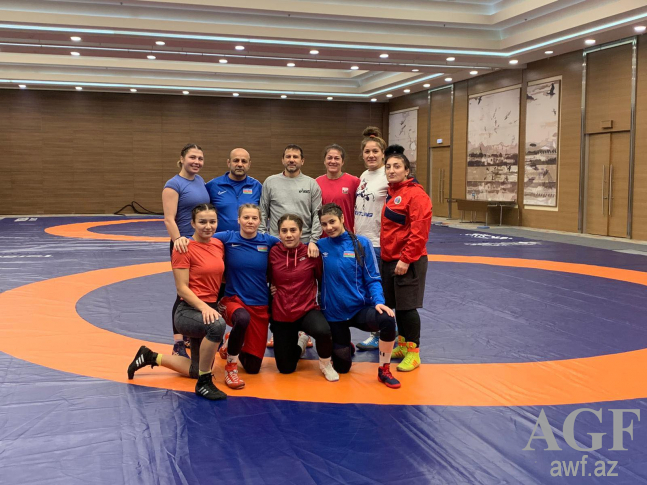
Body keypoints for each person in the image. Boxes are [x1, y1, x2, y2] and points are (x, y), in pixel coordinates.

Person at [127, 204, 228, 401]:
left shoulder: (218, 244)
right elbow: (182, 288)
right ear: (192, 223)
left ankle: (150, 356)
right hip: (188, 312)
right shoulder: (183, 248)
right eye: (202, 222)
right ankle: (204, 383)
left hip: (208, 309)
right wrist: (204, 308)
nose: (208, 226)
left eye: (212, 222)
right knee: (217, 326)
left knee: (196, 369)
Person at [316, 203, 401, 389]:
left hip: (359, 309)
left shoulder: (361, 243)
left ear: (342, 219)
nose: (329, 227)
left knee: (387, 319)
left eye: (332, 222)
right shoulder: (320, 246)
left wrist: (378, 301)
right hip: (335, 314)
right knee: (342, 368)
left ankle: (384, 369)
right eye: (324, 224)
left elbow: (373, 278)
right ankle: (345, 345)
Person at [259, 144, 322, 347]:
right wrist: (263, 239)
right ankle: (278, 330)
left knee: (303, 287)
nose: (291, 159)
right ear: (283, 159)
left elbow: (317, 214)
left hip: (304, 244)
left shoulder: (311, 184)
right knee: (275, 287)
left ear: (302, 161)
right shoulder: (271, 182)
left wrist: (313, 241)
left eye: (295, 156)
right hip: (276, 245)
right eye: (288, 156)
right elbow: (263, 211)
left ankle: (304, 330)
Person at [268, 214, 339, 381]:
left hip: (306, 309)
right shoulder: (273, 253)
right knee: (285, 369)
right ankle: (301, 343)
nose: (289, 235)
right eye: (284, 231)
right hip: (282, 313)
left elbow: (322, 279)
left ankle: (325, 364)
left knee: (323, 331)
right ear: (279, 233)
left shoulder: (311, 253)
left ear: (301, 232)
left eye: (293, 230)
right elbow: (267, 276)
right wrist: (271, 287)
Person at [381, 145, 432, 372]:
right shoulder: (392, 193)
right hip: (390, 258)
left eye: (397, 166)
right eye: (388, 167)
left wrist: (406, 259)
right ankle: (402, 345)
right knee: (397, 307)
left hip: (407, 260)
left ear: (407, 171)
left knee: (408, 307)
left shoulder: (416, 195)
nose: (391, 170)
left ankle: (414, 352)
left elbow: (419, 232)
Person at [215, 204, 280, 374]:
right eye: (246, 217)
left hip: (259, 305)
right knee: (242, 318)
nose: (250, 221)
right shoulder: (227, 237)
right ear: (238, 220)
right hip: (233, 301)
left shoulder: (269, 241)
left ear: (260, 221)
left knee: (253, 368)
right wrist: (184, 239)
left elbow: (292, 247)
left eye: (254, 218)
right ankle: (231, 365)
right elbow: (202, 237)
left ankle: (233, 339)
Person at [162, 144, 210, 359]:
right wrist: (178, 240)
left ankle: (191, 333)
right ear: (182, 159)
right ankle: (178, 342)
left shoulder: (199, 181)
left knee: (198, 289)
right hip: (183, 245)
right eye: (192, 157)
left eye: (200, 158)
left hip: (200, 243)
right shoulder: (173, 185)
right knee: (182, 292)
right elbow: (169, 219)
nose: (197, 162)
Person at [354, 127, 389, 351]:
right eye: (367, 151)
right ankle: (381, 330)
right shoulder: (364, 176)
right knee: (366, 289)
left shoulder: (388, 176)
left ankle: (383, 333)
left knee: (377, 289)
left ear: (383, 153)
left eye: (375, 151)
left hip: (377, 242)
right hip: (361, 240)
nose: (371, 155)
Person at [205, 148, 262, 232]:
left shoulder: (257, 186)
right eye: (236, 160)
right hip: (220, 238)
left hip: (248, 238)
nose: (240, 164)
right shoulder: (213, 185)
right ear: (228, 163)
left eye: (244, 161)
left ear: (249, 164)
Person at [315, 144, 360, 233]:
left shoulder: (354, 182)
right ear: (324, 161)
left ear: (342, 162)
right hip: (324, 235)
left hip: (346, 234)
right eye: (329, 158)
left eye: (336, 158)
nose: (333, 161)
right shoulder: (316, 183)